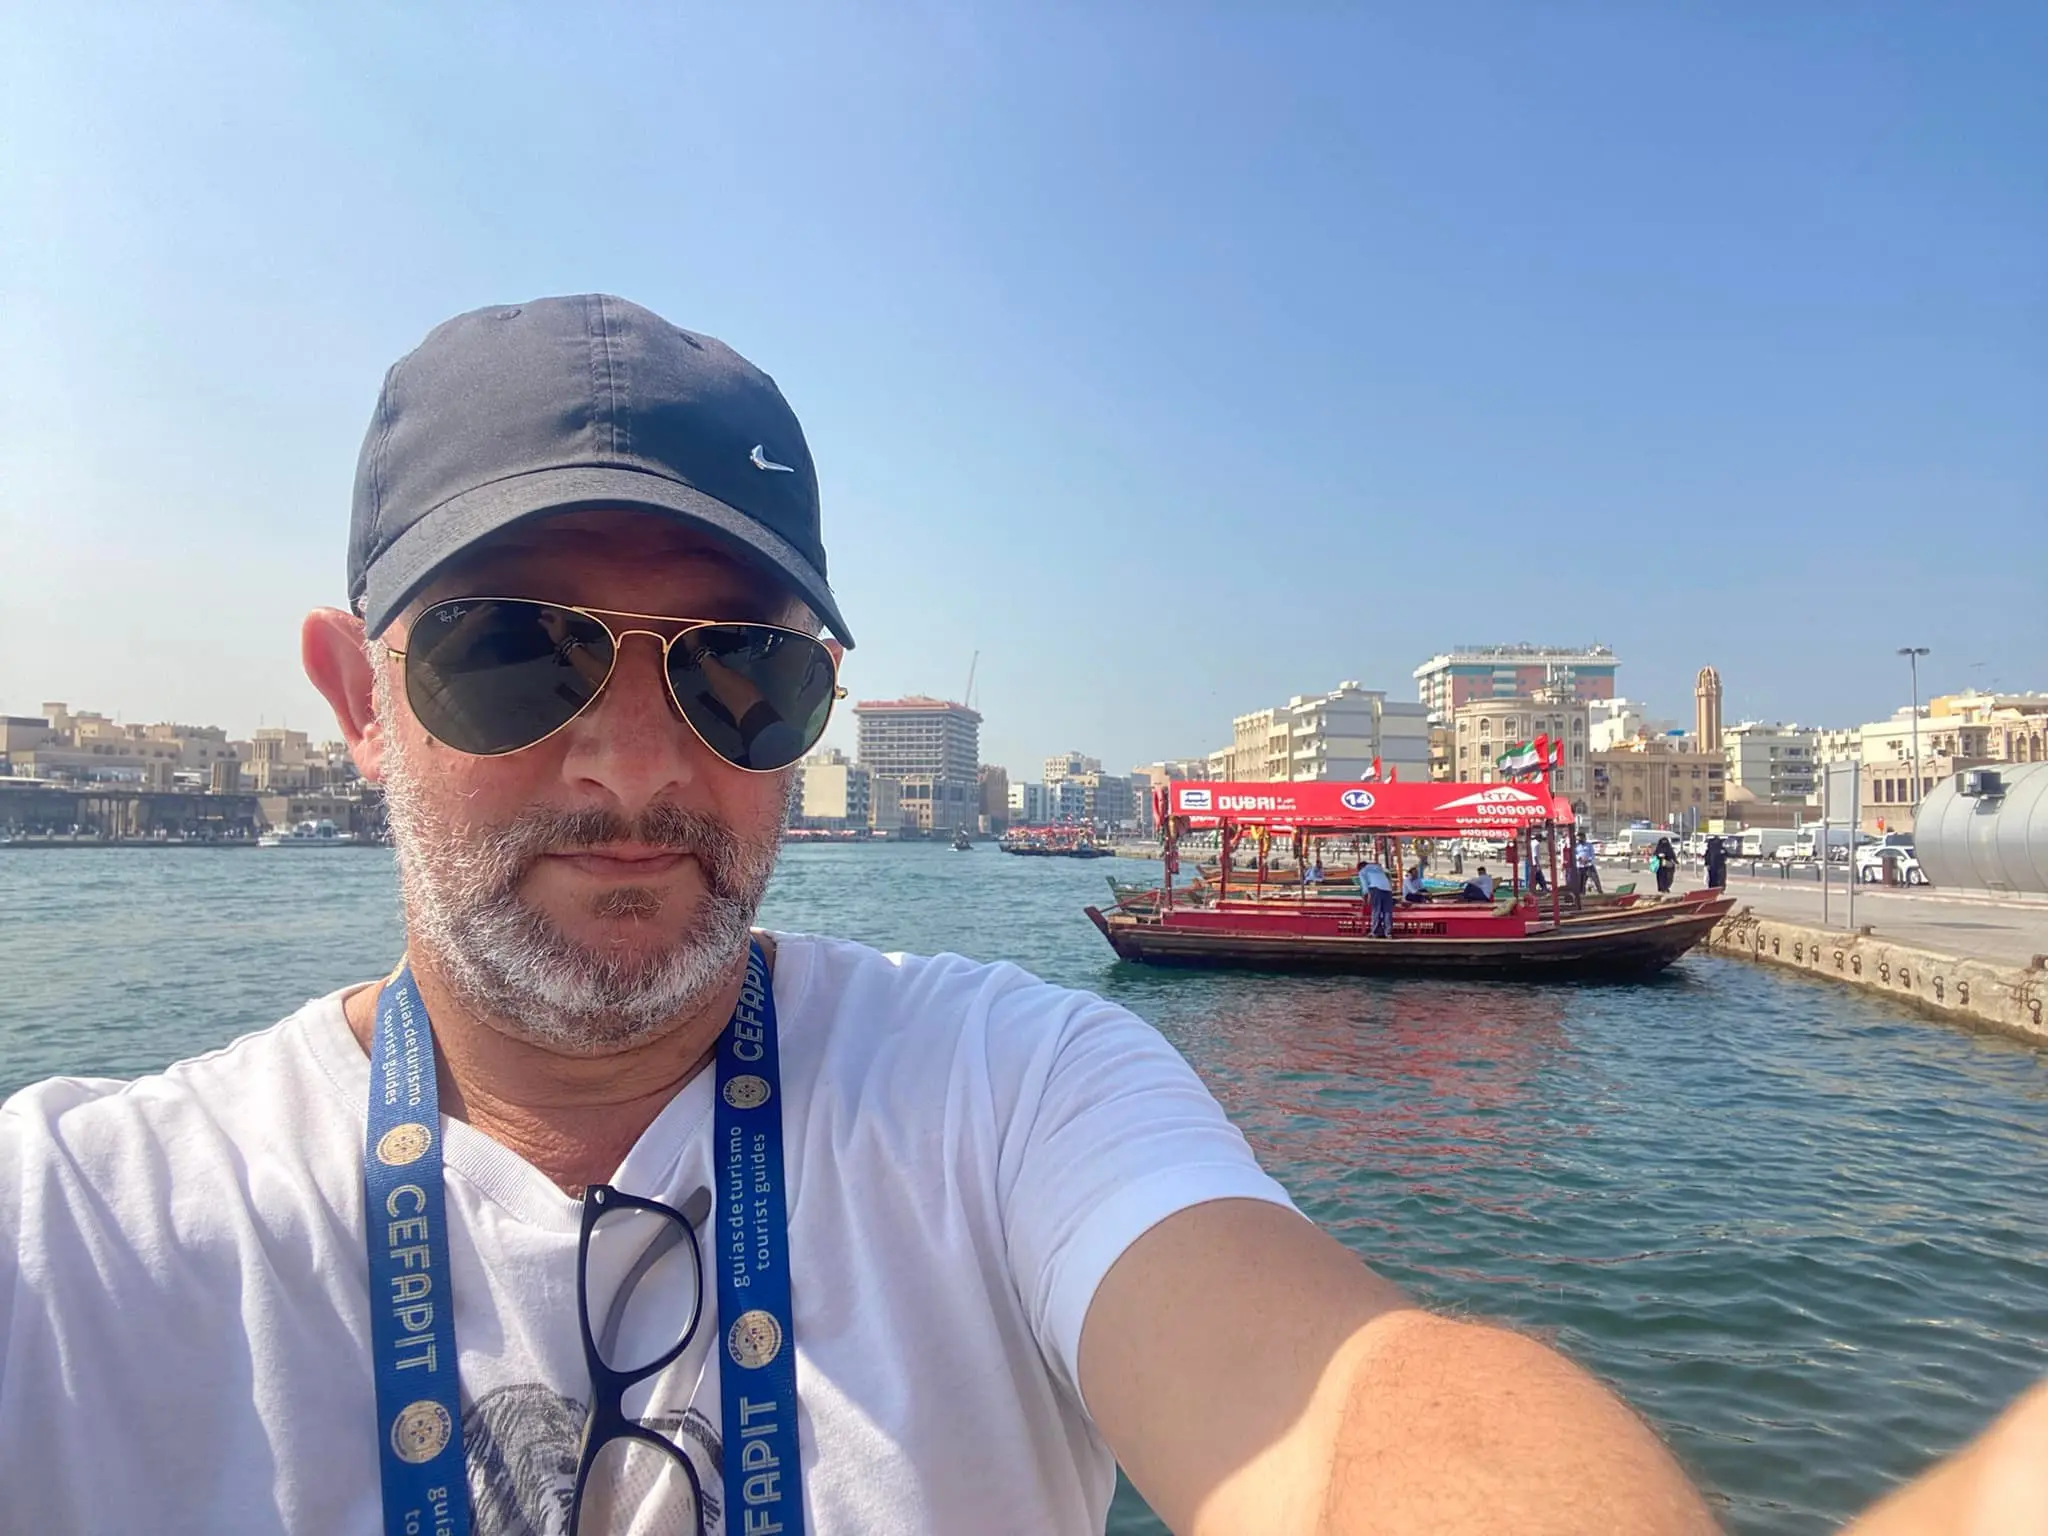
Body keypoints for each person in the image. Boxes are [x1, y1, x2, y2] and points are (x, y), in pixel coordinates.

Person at [2, 293, 2025, 1536]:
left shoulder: (1007, 1093)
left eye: (739, 678)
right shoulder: (84, 1236)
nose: (638, 764)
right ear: (357, 700)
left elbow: (1350, 1413)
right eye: (519, 660)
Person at [1357, 855, 1395, 936]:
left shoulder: (1362, 871)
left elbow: (1365, 887)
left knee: (1376, 910)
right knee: (1387, 911)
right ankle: (1388, 932)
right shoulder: (1378, 868)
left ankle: (1375, 931)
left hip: (1376, 888)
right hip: (1388, 889)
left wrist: (1365, 898)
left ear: (1360, 867)